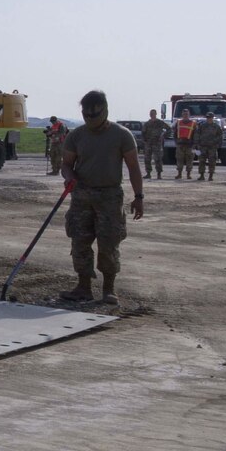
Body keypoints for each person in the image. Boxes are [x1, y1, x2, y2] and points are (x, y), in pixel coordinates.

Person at [59, 89, 144, 305]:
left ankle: (108, 289)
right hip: (82, 196)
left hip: (110, 196)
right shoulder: (76, 136)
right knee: (80, 242)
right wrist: (69, 177)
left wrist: (139, 196)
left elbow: (133, 167)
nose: (90, 119)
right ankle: (83, 287)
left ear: (105, 111)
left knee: (108, 243)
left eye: (94, 115)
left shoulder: (121, 135)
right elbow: (66, 164)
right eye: (86, 115)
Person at [193, 115, 223, 182]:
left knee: (212, 161)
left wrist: (218, 145)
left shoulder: (216, 127)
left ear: (212, 118)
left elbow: (220, 136)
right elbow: (197, 134)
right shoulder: (202, 126)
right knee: (201, 161)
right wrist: (196, 144)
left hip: (212, 147)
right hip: (203, 146)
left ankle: (211, 176)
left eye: (210, 117)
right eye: (208, 118)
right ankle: (201, 175)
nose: (209, 119)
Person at [140, 112, 168, 180]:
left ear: (156, 114)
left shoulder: (160, 123)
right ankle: (148, 173)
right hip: (148, 143)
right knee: (147, 159)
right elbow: (143, 132)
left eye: (153, 113)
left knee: (158, 159)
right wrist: (144, 140)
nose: (152, 115)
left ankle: (159, 174)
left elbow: (169, 129)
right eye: (151, 114)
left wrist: (163, 136)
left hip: (157, 143)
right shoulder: (147, 123)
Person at [173, 109, 196, 180]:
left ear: (189, 115)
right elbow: (175, 133)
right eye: (184, 114)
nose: (185, 115)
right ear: (182, 115)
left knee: (189, 160)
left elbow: (196, 134)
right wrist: (176, 141)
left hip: (189, 145)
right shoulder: (178, 122)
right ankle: (179, 174)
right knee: (179, 159)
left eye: (187, 114)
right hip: (180, 144)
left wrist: (194, 144)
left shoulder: (193, 123)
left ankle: (188, 174)